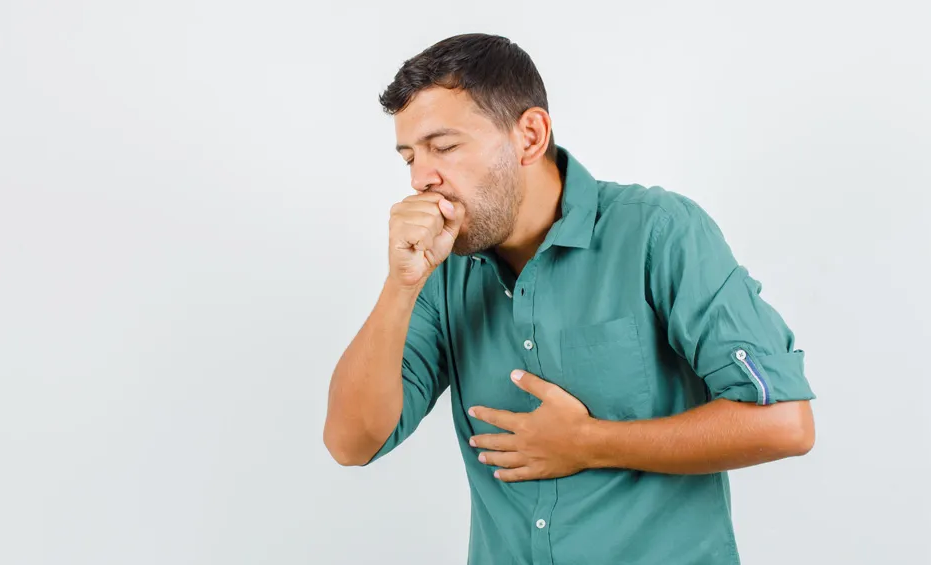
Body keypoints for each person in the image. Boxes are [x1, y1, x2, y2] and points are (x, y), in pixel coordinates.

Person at [323, 33, 816, 565]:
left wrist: (591, 442)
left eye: (444, 147)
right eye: (409, 158)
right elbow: (351, 444)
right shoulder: (441, 271)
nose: (422, 178)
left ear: (530, 136)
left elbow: (785, 423)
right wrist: (400, 285)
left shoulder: (658, 233)